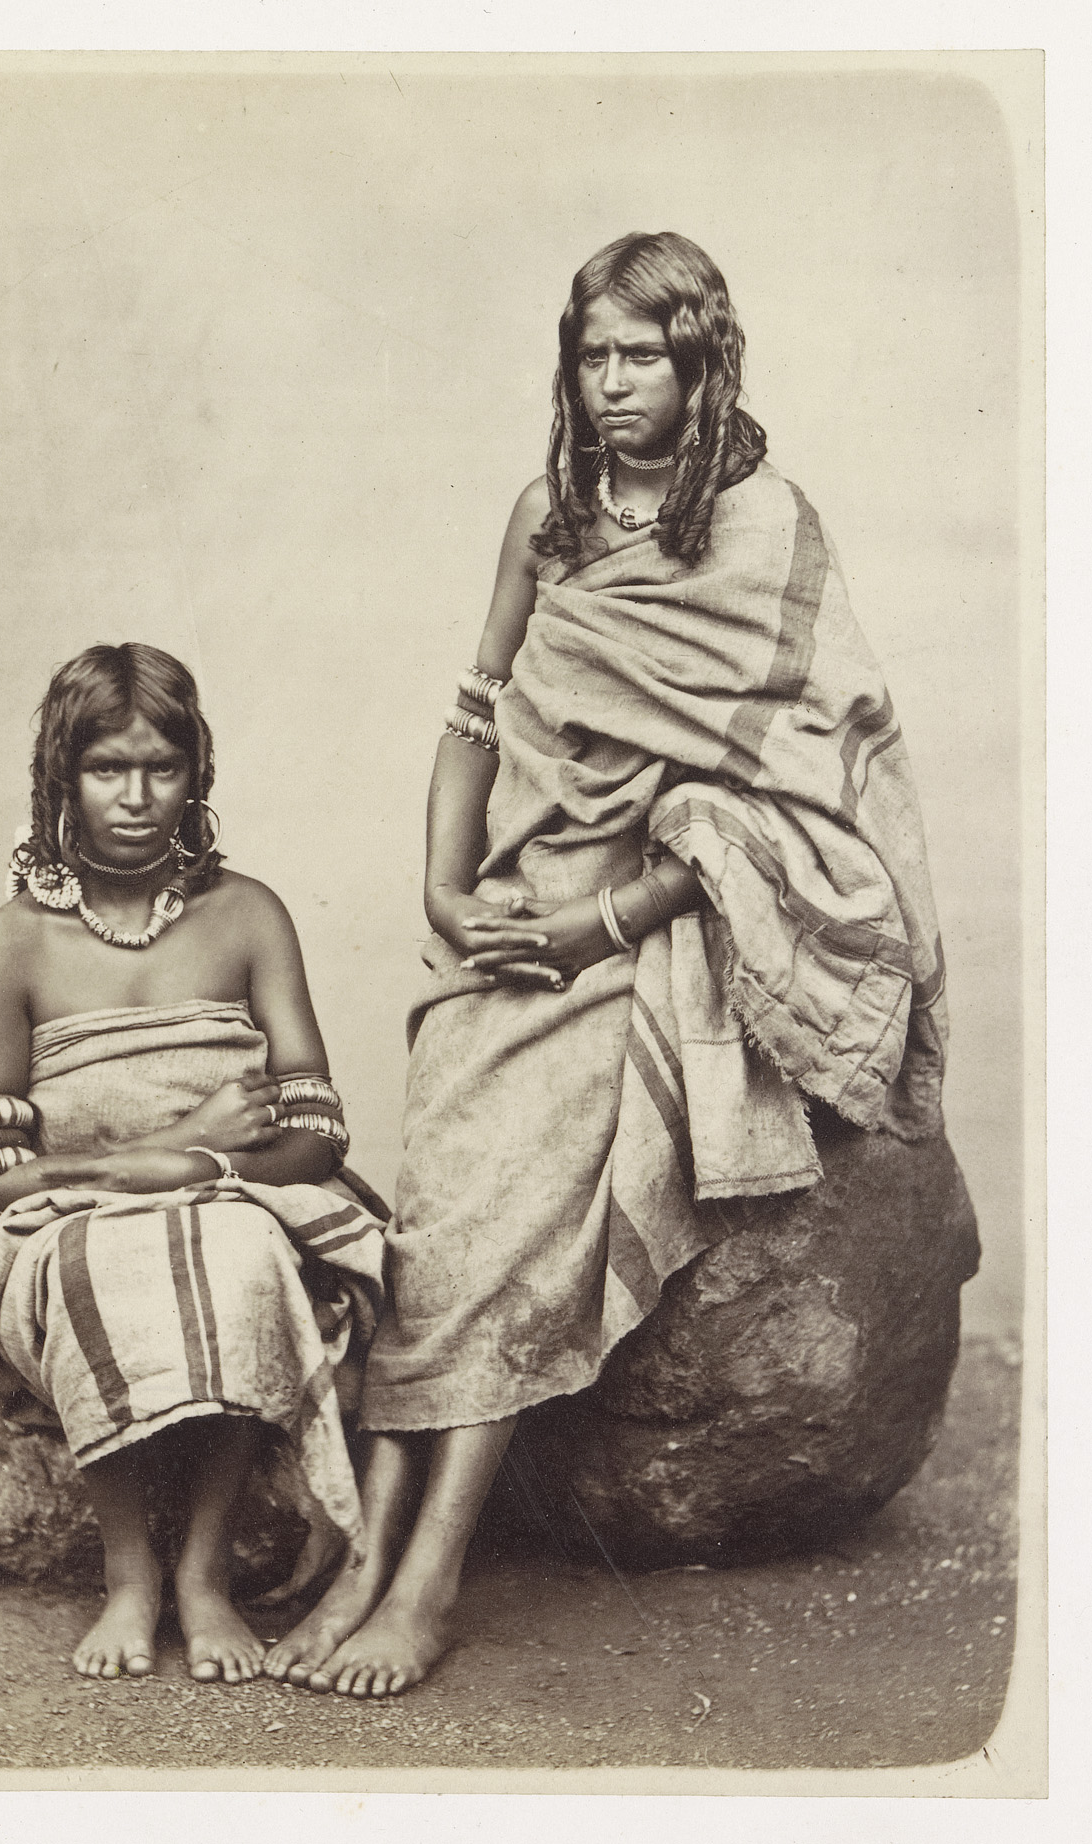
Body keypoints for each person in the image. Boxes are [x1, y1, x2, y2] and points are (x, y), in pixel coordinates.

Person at [264, 230, 949, 1698]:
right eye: (593, 355)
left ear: (702, 365)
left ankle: (425, 1580)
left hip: (650, 924)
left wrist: (608, 920)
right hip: (516, 909)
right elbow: (474, 713)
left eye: (645, 355)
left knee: (516, 1202)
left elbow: (794, 792)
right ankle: (364, 1560)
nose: (615, 383)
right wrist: (445, 890)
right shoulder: (546, 515)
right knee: (440, 1197)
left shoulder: (762, 531)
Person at [0, 643, 386, 1684]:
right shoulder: (10, 944)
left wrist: (204, 1168)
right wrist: (155, 1157)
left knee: (242, 1253)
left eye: (161, 767)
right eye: (106, 768)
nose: (135, 797)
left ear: (194, 772)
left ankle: (202, 1575)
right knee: (98, 1261)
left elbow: (314, 1129)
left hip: (237, 1198)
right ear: (60, 776)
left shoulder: (246, 915)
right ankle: (129, 1575)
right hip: (62, 1219)